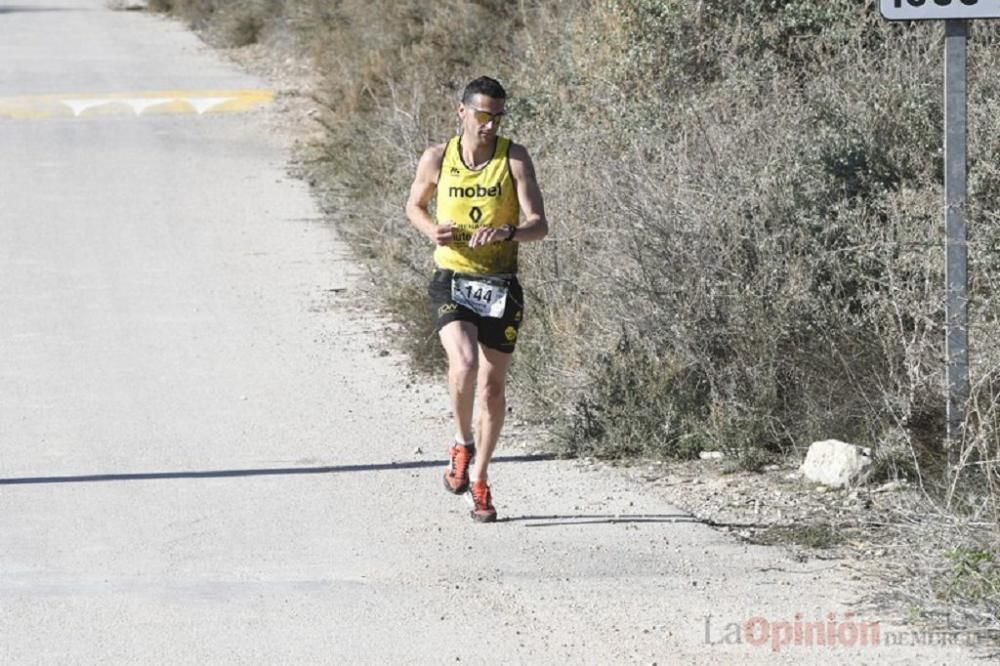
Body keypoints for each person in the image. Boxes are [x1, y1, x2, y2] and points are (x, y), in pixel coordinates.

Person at [404, 76, 548, 523]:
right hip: (452, 275)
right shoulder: (438, 157)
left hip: (501, 282)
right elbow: (414, 205)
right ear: (461, 112)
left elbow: (539, 224)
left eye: (497, 117)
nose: (490, 125)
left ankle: (481, 478)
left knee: (492, 387)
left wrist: (509, 231)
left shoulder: (514, 158)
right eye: (483, 115)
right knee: (464, 364)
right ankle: (462, 443)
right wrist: (432, 230)